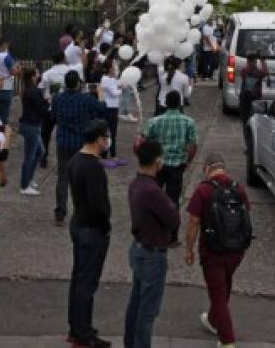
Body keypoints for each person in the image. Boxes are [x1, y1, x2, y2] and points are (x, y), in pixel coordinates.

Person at [185, 153, 251, 348]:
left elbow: (193, 222)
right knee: (224, 285)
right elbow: (246, 218)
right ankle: (214, 321)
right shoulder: (238, 188)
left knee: (217, 293)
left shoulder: (203, 190)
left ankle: (227, 340)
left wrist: (189, 249)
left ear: (207, 168)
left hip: (213, 251)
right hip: (236, 250)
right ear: (224, 167)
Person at [124, 139, 180, 348]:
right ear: (157, 161)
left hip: (139, 248)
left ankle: (130, 343)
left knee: (136, 303)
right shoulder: (152, 191)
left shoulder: (136, 184)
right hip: (152, 253)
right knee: (147, 312)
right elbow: (174, 219)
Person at [66, 120, 113, 348]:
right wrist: (105, 225)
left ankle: (77, 327)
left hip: (79, 224)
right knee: (87, 283)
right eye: (106, 137)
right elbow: (98, 205)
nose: (108, 141)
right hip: (91, 230)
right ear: (98, 140)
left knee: (79, 280)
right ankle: (84, 333)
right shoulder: (92, 166)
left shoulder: (76, 159)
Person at [52, 70, 107, 226]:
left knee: (62, 177)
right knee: (82, 178)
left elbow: (54, 115)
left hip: (63, 141)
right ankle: (82, 211)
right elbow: (102, 109)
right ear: (78, 83)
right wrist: (100, 93)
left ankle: (60, 213)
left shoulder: (58, 99)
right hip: (81, 142)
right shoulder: (86, 99)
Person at [142, 90, 197, 245]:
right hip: (177, 165)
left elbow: (144, 140)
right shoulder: (188, 122)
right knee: (172, 201)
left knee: (154, 198)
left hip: (157, 166)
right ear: (179, 103)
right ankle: (172, 237)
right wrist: (187, 161)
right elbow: (193, 145)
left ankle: (154, 232)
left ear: (165, 103)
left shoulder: (155, 121)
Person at [18, 67, 48, 195]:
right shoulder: (33, 91)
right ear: (32, 77)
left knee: (40, 152)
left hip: (30, 124)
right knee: (29, 156)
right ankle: (24, 186)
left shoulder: (28, 89)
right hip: (31, 125)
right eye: (37, 73)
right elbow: (41, 109)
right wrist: (47, 103)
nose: (39, 74)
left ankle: (28, 179)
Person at [39, 51, 70, 168]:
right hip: (66, 107)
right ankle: (62, 160)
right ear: (63, 59)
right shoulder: (70, 71)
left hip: (50, 106)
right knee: (63, 135)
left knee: (45, 134)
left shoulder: (47, 73)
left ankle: (43, 157)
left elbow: (41, 88)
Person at [99, 61, 125, 169]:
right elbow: (114, 93)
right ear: (109, 69)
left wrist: (120, 87)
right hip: (108, 108)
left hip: (114, 108)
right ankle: (103, 156)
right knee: (106, 132)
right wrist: (121, 89)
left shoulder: (113, 79)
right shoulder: (104, 79)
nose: (115, 69)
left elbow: (117, 87)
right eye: (113, 67)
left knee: (113, 132)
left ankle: (113, 154)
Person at [0, 37, 19, 126]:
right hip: (6, 88)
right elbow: (13, 72)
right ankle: (1, 133)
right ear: (4, 44)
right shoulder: (6, 57)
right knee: (4, 114)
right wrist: (17, 68)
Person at [238, 52, 268, 130]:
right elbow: (265, 72)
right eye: (254, 61)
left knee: (246, 118)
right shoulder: (257, 72)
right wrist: (263, 61)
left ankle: (247, 131)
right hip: (254, 97)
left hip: (245, 97)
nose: (255, 63)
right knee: (255, 118)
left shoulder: (244, 70)